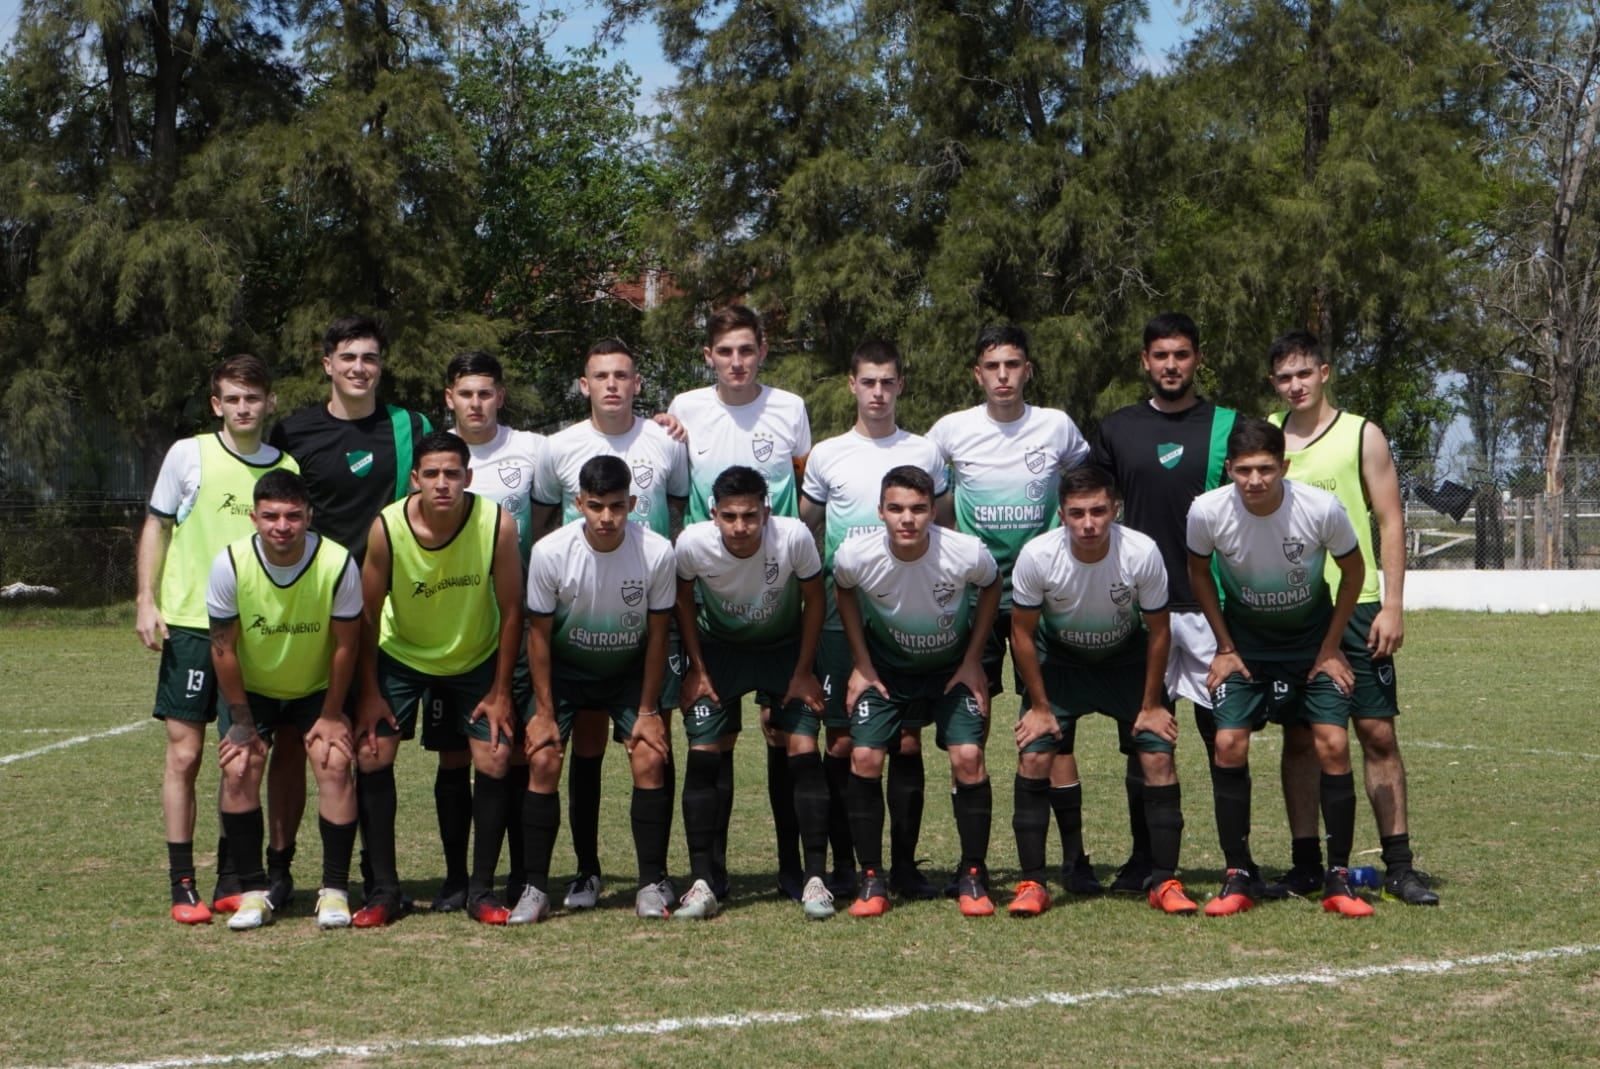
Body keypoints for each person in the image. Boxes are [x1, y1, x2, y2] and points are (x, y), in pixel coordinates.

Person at [1265, 331, 1439, 906]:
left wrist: (1392, 604)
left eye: (1304, 374)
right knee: (1300, 738)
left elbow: (1389, 520)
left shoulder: (1361, 434)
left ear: (1325, 373)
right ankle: (1306, 864)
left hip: (1359, 605)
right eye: (1285, 378)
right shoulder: (1265, 435)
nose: (1295, 386)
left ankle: (1399, 865)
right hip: (1293, 608)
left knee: (1377, 731)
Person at [267, 315, 432, 912]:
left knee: (368, 744)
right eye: (349, 357)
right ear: (327, 364)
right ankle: (278, 870)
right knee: (290, 743)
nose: (360, 367)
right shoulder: (296, 431)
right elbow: (273, 510)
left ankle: (371, 876)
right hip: (310, 610)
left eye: (370, 357)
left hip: (388, 613)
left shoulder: (409, 426)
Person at [927, 323, 1092, 891]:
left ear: (1028, 370)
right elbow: (922, 497)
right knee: (971, 729)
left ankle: (1073, 860)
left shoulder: (1057, 427)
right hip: (974, 596)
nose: (1003, 376)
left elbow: (1084, 484)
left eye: (1013, 365)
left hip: (1043, 597)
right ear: (978, 373)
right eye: (992, 366)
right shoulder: (950, 431)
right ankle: (972, 862)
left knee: (1054, 726)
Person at [1185, 417, 1372, 918]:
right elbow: (1198, 572)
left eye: (1266, 469)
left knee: (1331, 742)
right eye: (1244, 470)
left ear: (1284, 467)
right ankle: (1238, 873)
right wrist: (1224, 645)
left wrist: (1331, 647)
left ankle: (1337, 878)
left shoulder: (1320, 508)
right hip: (1245, 646)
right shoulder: (1206, 511)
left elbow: (1353, 572)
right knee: (1228, 742)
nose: (1255, 481)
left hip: (1312, 644)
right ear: (1229, 469)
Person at [136, 354, 298, 923]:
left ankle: (236, 876)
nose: (243, 407)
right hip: (190, 625)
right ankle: (183, 882)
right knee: (186, 752)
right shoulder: (189, 455)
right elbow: (157, 522)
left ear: (269, 401)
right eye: (232, 398)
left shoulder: (285, 467)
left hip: (256, 635)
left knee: (246, 757)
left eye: (253, 397)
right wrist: (146, 600)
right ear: (217, 404)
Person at [531, 338, 688, 911]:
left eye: (623, 374)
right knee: (584, 746)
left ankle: (654, 877)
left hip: (642, 609)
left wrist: (654, 566)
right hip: (578, 615)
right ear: (584, 384)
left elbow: (677, 509)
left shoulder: (666, 439)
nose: (613, 385)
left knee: (651, 742)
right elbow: (543, 515)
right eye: (602, 376)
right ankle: (584, 872)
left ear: (638, 382)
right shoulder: (559, 446)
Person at [668, 306, 813, 899]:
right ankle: (712, 875)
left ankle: (793, 870)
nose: (736, 362)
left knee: (785, 734)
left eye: (746, 350)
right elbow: (677, 491)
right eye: (724, 351)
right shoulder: (684, 409)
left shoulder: (791, 408)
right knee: (716, 739)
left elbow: (807, 487)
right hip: (717, 602)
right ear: (708, 356)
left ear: (763, 350)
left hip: (778, 593)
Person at [350, 432, 524, 926]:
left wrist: (499, 692)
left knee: (493, 757)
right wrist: (368, 692)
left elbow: (513, 610)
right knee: (372, 752)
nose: (442, 484)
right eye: (432, 474)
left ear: (468, 477)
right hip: (402, 654)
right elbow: (367, 611)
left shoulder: (497, 524)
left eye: (452, 474)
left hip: (475, 656)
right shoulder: (388, 526)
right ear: (415, 479)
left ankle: (481, 891)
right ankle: (383, 890)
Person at [1008, 466, 1197, 917]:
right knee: (1034, 754)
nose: (1088, 523)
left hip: (1127, 661)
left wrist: (1152, 705)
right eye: (1077, 513)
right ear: (1061, 515)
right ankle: (1032, 883)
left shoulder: (1142, 552)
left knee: (1157, 756)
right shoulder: (1036, 556)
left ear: (1115, 509)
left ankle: (1163, 879)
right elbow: (1021, 633)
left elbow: (1158, 630)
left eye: (1097, 511)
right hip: (1062, 664)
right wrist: (1038, 705)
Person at [1090, 312, 1236, 893]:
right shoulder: (1117, 428)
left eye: (1181, 354)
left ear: (1197, 359)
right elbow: (1088, 510)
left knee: (1223, 738)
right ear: (1144, 362)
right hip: (1141, 613)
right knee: (1144, 739)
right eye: (1160, 356)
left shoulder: (1228, 426)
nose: (1170, 365)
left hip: (1209, 610)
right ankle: (1144, 859)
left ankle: (1236, 864)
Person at [799, 339, 949, 900]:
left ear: (900, 385)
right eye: (869, 382)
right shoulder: (828, 454)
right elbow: (805, 528)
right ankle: (850, 865)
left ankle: (905, 868)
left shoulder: (926, 451)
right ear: (852, 385)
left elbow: (947, 525)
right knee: (843, 744)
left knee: (907, 741)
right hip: (846, 616)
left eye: (888, 382)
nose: (879, 392)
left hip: (907, 614)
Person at [514, 455, 676, 923]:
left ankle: (650, 883)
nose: (607, 518)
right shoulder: (550, 552)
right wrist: (544, 712)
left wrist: (648, 709)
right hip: (566, 671)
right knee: (544, 759)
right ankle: (538, 887)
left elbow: (659, 634)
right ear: (578, 502)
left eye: (617, 507)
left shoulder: (657, 551)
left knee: (648, 755)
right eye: (597, 506)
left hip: (628, 671)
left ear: (633, 502)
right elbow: (539, 636)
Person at [834, 466, 1001, 917]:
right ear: (881, 512)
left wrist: (972, 660)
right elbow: (843, 591)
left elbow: (991, 586)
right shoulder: (855, 554)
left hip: (951, 670)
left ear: (933, 511)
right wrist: (862, 663)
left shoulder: (966, 552)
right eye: (896, 509)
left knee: (968, 757)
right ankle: (871, 877)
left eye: (918, 509)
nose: (907, 519)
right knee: (865, 758)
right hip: (886, 670)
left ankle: (971, 874)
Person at [204, 470, 362, 930]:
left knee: (334, 761)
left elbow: (346, 646)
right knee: (239, 765)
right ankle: (253, 891)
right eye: (270, 516)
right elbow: (223, 648)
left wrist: (333, 714)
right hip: (252, 690)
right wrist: (241, 720)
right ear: (253, 517)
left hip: (315, 687)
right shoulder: (230, 563)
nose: (282, 526)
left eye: (293, 516)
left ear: (309, 517)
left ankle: (334, 890)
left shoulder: (336, 562)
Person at [675, 466, 828, 919]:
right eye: (729, 516)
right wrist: (696, 670)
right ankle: (705, 880)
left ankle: (810, 877)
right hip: (721, 651)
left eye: (749, 516)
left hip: (782, 650)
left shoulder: (794, 537)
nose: (740, 527)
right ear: (713, 514)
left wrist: (803, 672)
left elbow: (815, 599)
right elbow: (683, 600)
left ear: (765, 511)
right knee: (705, 749)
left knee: (801, 744)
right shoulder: (692, 543)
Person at [444, 350, 546, 911]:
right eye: (466, 392)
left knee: (515, 751)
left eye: (486, 392)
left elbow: (549, 515)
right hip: (455, 627)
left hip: (517, 622)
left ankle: (517, 877)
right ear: (449, 398)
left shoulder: (531, 449)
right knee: (456, 755)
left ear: (500, 397)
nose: (476, 403)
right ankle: (458, 878)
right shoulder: (437, 455)